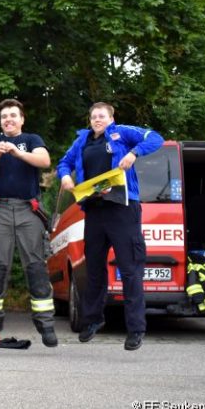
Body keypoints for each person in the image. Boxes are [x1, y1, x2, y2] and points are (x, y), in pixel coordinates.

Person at [57, 102, 164, 351]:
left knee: (129, 269)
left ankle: (136, 329)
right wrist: (64, 176)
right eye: (94, 116)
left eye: (102, 116)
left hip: (122, 209)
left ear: (111, 118)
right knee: (93, 267)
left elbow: (155, 138)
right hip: (94, 210)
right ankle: (93, 320)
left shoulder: (122, 133)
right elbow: (64, 162)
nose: (97, 120)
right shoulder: (82, 141)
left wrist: (134, 153)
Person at [0, 99, 57, 347]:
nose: (8, 119)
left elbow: (44, 161)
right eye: (4, 117)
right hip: (0, 209)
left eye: (13, 115)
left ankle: (46, 326)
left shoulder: (31, 139)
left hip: (28, 210)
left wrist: (18, 152)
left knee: (36, 267)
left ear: (22, 119)